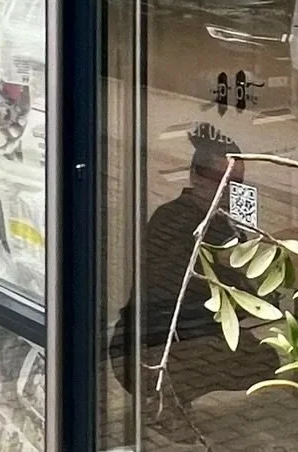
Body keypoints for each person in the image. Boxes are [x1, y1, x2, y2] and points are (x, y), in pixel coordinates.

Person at [109, 125, 278, 411]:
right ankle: (169, 403)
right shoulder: (198, 228)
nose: (230, 192)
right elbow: (247, 296)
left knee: (256, 353)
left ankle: (171, 397)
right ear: (196, 177)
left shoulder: (175, 214)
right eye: (222, 181)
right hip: (155, 349)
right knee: (263, 361)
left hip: (138, 345)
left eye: (238, 184)